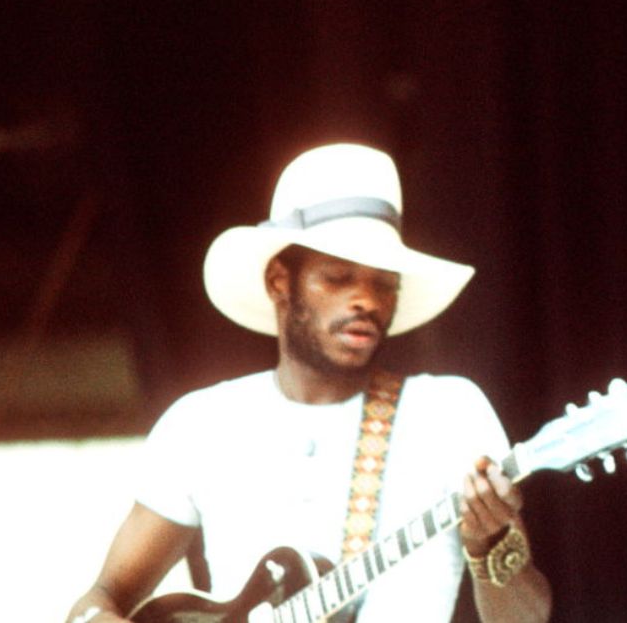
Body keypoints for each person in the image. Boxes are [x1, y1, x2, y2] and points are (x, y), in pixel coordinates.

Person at [66, 143, 552, 623]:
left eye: (383, 283)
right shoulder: (201, 424)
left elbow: (525, 620)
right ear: (280, 282)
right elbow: (97, 600)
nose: (365, 300)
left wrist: (492, 546)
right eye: (339, 277)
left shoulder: (449, 411)